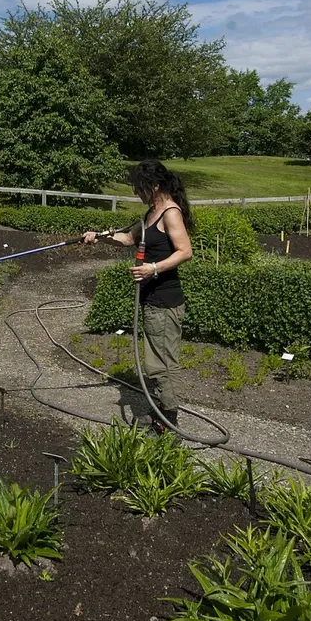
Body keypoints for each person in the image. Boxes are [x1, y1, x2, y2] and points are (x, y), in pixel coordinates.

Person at [83, 160, 194, 427]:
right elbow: (129, 239)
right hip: (152, 300)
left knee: (163, 363)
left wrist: (152, 269)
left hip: (165, 301)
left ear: (155, 186)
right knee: (155, 361)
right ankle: (161, 411)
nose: (138, 193)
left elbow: (185, 251)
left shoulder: (170, 213)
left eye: (141, 188)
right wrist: (99, 236)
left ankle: (169, 422)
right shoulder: (150, 214)